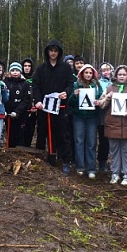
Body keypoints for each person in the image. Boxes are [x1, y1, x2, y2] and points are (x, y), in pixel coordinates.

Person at [32, 39, 75, 175]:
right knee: (42, 133)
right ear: (47, 52)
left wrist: (66, 92)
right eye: (51, 50)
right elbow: (36, 86)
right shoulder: (41, 69)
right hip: (44, 107)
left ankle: (65, 160)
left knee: (63, 134)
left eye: (56, 51)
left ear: (59, 52)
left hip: (60, 107)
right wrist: (37, 101)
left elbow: (70, 84)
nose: (53, 53)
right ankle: (41, 158)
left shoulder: (66, 68)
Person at [99, 65, 127, 185]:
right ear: (116, 75)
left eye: (124, 74)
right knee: (114, 151)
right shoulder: (109, 88)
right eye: (120, 74)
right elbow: (101, 104)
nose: (122, 77)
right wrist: (108, 97)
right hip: (112, 125)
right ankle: (115, 173)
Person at [69, 64, 103, 178]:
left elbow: (102, 98)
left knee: (91, 143)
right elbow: (70, 102)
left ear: (93, 74)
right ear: (82, 74)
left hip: (92, 117)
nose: (88, 75)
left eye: (90, 73)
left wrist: (98, 102)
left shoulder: (97, 86)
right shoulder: (76, 85)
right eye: (86, 72)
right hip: (79, 117)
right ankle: (80, 166)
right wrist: (74, 95)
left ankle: (91, 168)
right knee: (79, 141)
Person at [3, 62, 30, 148]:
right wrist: (5, 110)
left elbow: (26, 100)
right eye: (13, 70)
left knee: (20, 135)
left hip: (20, 115)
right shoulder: (5, 83)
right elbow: (2, 98)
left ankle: (20, 154)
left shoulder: (25, 84)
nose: (15, 72)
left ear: (20, 72)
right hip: (8, 114)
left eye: (17, 70)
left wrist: (17, 111)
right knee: (10, 134)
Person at [96, 62, 114, 173]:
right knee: (103, 141)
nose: (106, 72)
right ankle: (102, 162)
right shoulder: (98, 83)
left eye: (108, 70)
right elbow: (98, 97)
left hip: (115, 117)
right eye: (104, 70)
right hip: (102, 117)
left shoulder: (116, 82)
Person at [21, 58, 37, 148]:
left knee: (30, 129)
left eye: (29, 66)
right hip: (22, 108)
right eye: (25, 66)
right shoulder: (19, 79)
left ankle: (28, 146)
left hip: (32, 108)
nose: (27, 68)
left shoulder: (35, 79)